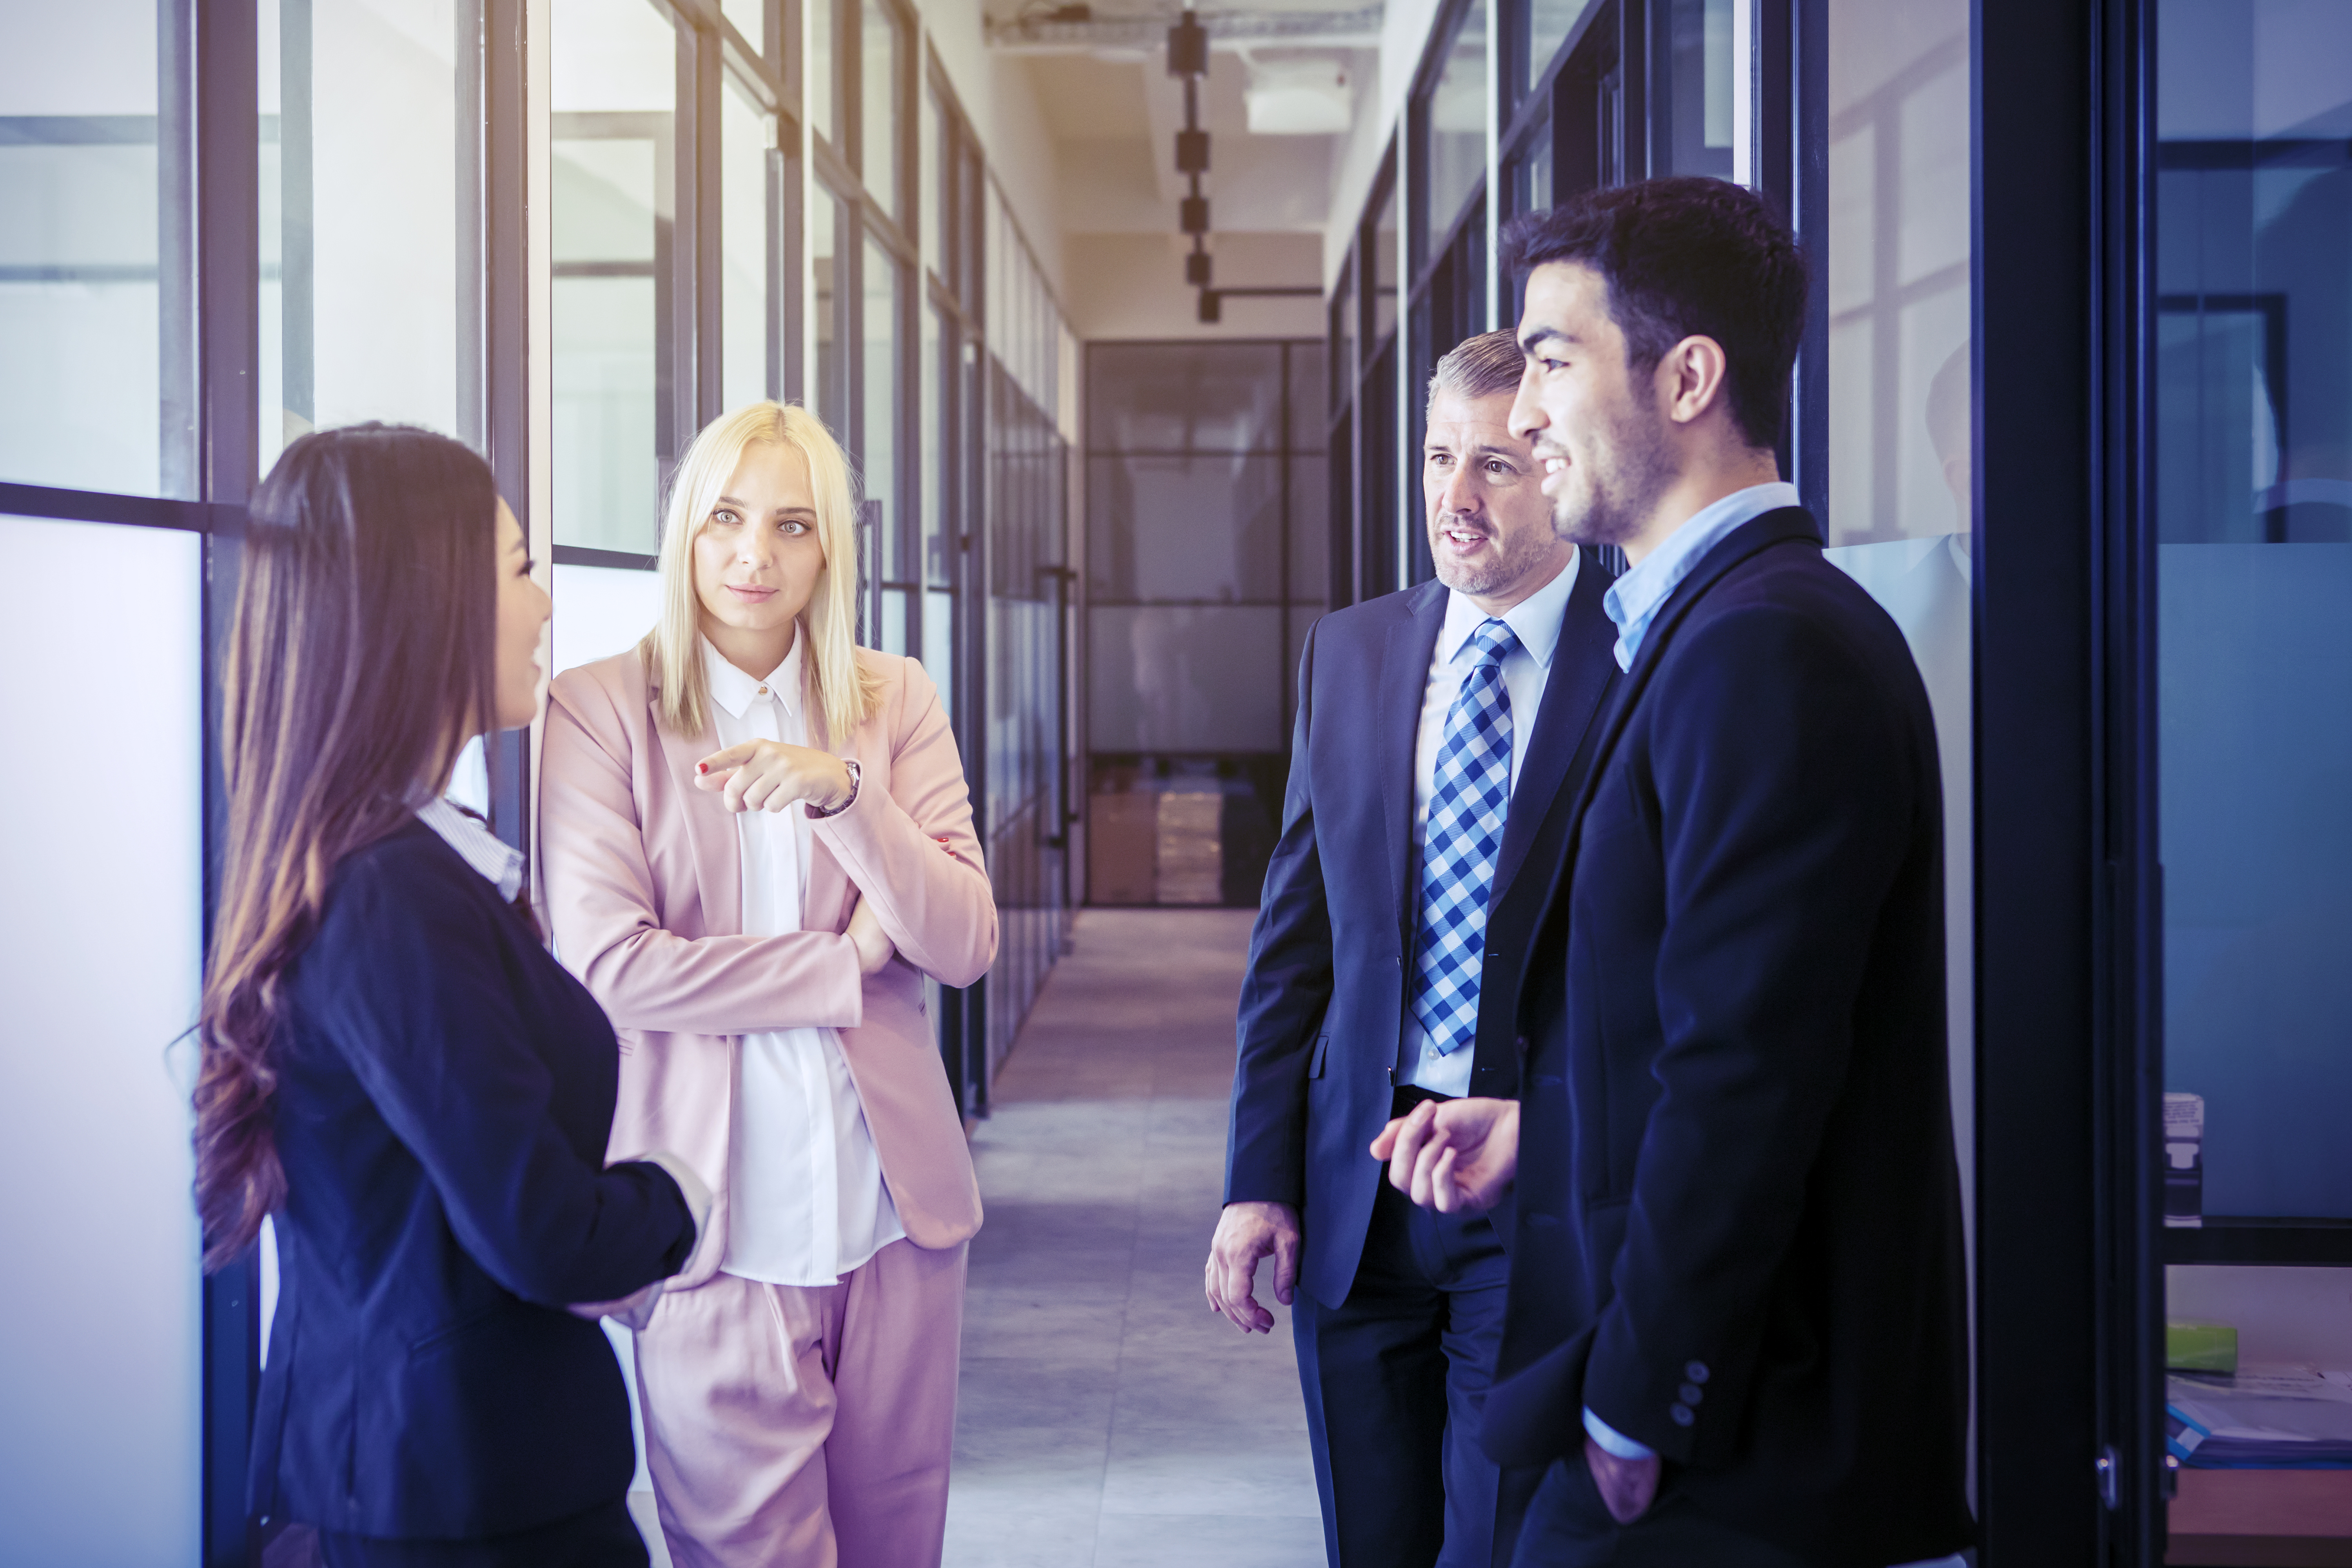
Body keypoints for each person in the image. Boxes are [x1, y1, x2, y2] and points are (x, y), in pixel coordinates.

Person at [1375, 178, 1972, 1566]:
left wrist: (1641, 1410)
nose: (1520, 417)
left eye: (1554, 361)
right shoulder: (1709, 628)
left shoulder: (1767, 647)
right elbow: (1685, 1010)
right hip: (1707, 1404)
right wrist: (1543, 1128)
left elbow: (1746, 1072)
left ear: (1690, 376)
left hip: (1742, 1438)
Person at [193, 425, 708, 1568]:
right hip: (455, 1501)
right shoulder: (393, 895)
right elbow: (544, 1232)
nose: (546, 606)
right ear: (422, 608)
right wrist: (677, 1200)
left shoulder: (394, 861)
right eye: (520, 568)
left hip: (449, 1476)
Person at [539, 400, 995, 1568]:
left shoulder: (893, 702)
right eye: (728, 519)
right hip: (712, 1234)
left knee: (899, 1549)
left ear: (830, 548)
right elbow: (613, 966)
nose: (756, 556)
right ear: (686, 528)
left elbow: (962, 941)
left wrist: (845, 796)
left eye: (793, 526)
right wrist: (838, 968)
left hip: (893, 1220)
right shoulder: (596, 710)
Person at [1210, 330, 1623, 1567]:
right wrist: (1255, 1177)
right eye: (1440, 459)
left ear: (1558, 466)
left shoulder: (1638, 647)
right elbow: (1297, 941)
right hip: (1359, 1183)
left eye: (1494, 464)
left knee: (1494, 1541)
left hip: (1531, 1177)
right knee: (1372, 1540)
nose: (1455, 499)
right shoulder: (1353, 650)